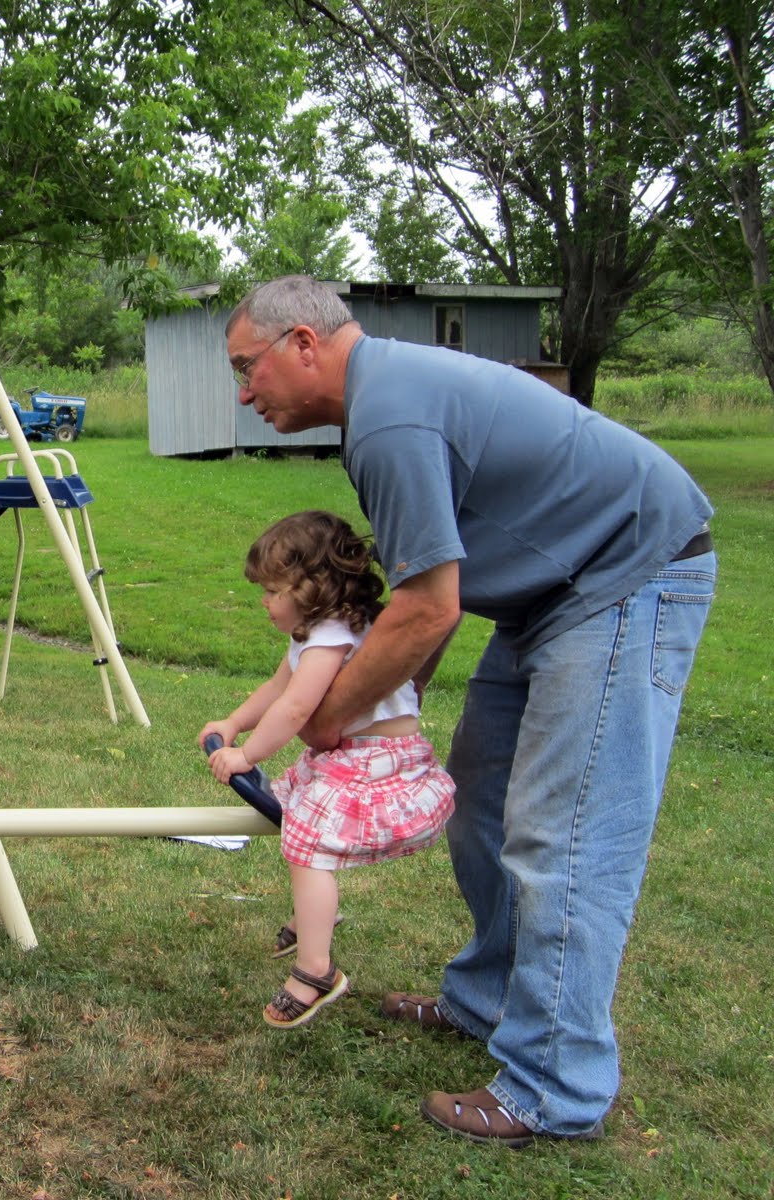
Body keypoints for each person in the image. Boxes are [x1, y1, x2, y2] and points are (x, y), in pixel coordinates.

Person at [223, 276, 715, 1145]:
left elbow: (428, 609)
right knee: (480, 804)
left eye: (247, 369)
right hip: (545, 598)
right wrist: (387, 702)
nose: (242, 393)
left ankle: (552, 1089)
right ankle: (487, 1000)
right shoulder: (383, 404)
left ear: (303, 343)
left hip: (623, 576)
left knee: (561, 838)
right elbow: (423, 594)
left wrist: (332, 720)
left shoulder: (390, 417)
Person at [200, 511, 455, 1030]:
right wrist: (233, 722)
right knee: (295, 814)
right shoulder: (313, 634)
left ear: (312, 587)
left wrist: (247, 757)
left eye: (273, 590)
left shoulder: (331, 637)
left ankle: (316, 970)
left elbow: (296, 710)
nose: (264, 602)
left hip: (379, 765)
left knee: (309, 840)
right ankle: (312, 916)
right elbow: (276, 689)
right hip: (349, 757)